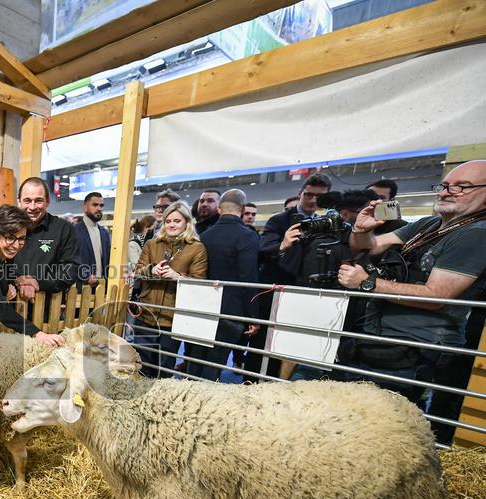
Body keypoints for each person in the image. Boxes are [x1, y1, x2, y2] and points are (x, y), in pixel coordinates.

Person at [337, 160, 486, 414]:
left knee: (389, 419)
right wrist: (361, 230)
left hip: (417, 346)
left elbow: (437, 296)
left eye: (462, 187)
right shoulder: (428, 224)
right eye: (445, 185)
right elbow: (370, 246)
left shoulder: (475, 233)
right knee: (359, 413)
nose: (446, 192)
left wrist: (367, 283)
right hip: (381, 337)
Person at [244, 173, 332, 381]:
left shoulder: (324, 223)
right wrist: (283, 245)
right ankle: (250, 386)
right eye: (309, 195)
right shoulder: (279, 220)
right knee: (261, 348)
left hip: (303, 296)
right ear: (300, 193)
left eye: (319, 196)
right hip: (274, 294)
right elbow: (264, 251)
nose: (313, 200)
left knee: (290, 350)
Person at [0, 204, 65, 347]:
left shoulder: (4, 254)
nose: (15, 245)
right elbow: (1, 308)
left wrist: (12, 282)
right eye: (10, 238)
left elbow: (6, 275)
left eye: (21, 239)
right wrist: (38, 334)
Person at [186, 189, 260, 381]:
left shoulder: (204, 236)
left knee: (196, 356)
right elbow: (248, 277)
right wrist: (253, 316)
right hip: (231, 310)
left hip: (203, 306)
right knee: (215, 361)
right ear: (242, 209)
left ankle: (187, 394)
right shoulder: (248, 236)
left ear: (219, 209)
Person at [133, 202, 208, 377]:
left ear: (186, 223)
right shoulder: (152, 244)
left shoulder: (197, 248)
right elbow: (137, 272)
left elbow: (200, 282)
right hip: (146, 315)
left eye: (177, 221)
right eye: (168, 221)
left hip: (173, 319)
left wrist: (177, 276)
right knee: (141, 365)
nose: (172, 225)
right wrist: (151, 270)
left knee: (164, 368)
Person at [13, 177, 81, 302]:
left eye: (38, 201)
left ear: (48, 201)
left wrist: (39, 283)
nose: (32, 207)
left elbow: (71, 268)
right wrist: (17, 281)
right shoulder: (9, 228)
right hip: (11, 304)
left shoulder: (63, 229)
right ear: (19, 202)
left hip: (50, 306)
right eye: (27, 201)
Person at [74, 192, 111, 286]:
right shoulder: (73, 232)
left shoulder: (104, 233)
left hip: (102, 287)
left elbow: (107, 261)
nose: (99, 209)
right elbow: (70, 260)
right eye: (95, 205)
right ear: (85, 207)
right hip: (80, 287)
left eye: (101, 205)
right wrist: (86, 276)